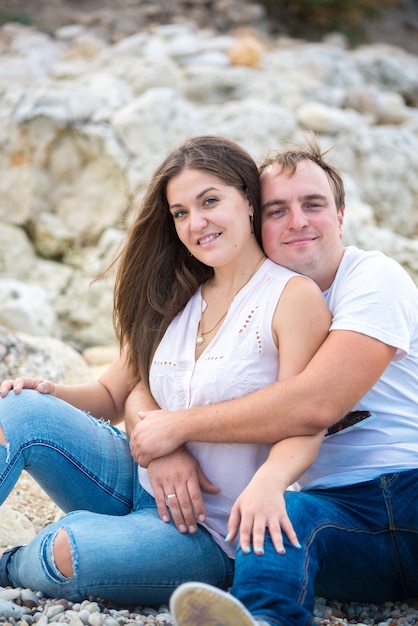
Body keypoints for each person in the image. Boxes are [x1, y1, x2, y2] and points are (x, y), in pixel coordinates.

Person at [0, 135, 331, 606]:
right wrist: (49, 392)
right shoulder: (177, 294)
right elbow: (111, 395)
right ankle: (106, 533)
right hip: (128, 476)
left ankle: (12, 563)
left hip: (206, 532)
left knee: (69, 552)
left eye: (210, 201)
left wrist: (269, 484)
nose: (196, 223)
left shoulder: (291, 298)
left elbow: (302, 419)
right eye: (180, 213)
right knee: (18, 409)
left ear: (249, 202)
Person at [127, 136, 418, 625]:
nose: (298, 221)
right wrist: (164, 438)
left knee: (274, 498)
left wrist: (177, 427)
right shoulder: (263, 301)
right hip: (340, 515)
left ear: (341, 216)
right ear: (256, 224)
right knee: (274, 516)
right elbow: (141, 378)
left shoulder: (375, 278)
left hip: (409, 489)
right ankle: (264, 620)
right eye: (278, 210)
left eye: (314, 204)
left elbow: (316, 404)